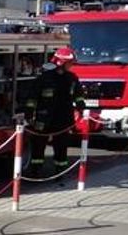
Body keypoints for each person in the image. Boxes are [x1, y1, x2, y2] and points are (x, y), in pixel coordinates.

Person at [25, 46, 85, 175]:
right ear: (61, 62)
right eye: (70, 63)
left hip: (63, 118)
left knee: (61, 146)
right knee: (38, 144)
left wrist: (81, 106)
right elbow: (32, 97)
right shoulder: (44, 78)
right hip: (44, 118)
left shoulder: (71, 78)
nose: (72, 66)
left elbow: (78, 94)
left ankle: (60, 171)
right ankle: (36, 170)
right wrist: (29, 113)